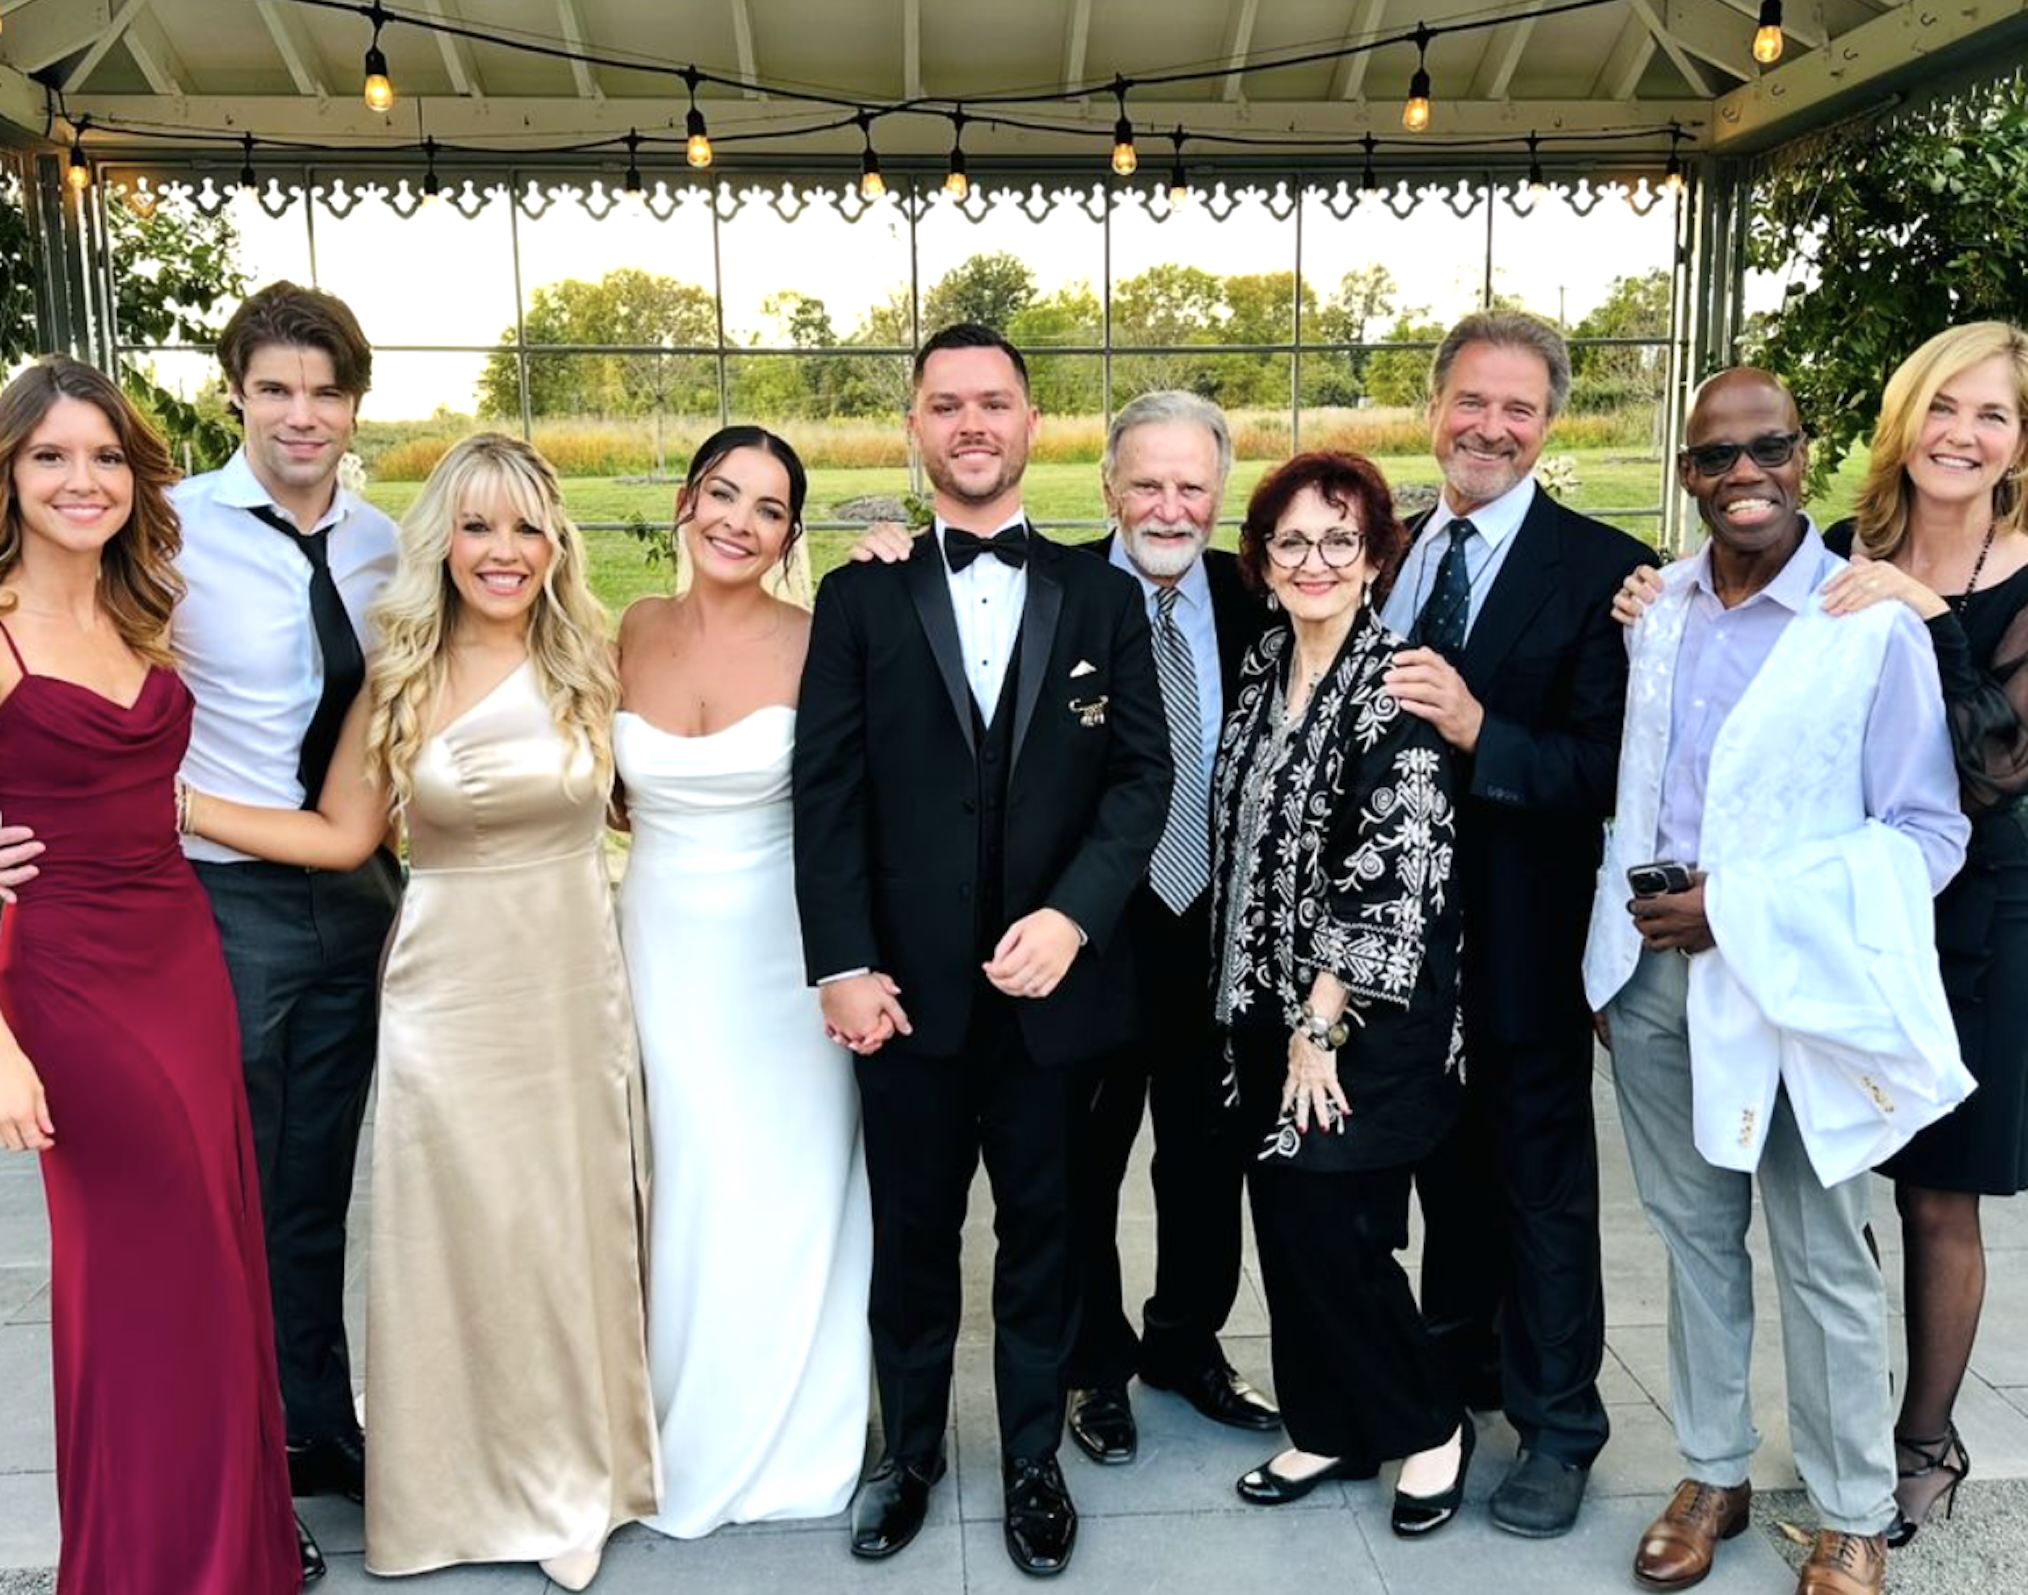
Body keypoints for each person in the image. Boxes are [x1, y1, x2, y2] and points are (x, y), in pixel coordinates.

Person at [182, 433, 657, 1589]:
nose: (504, 551)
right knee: (455, 1233)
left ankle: (567, 1478)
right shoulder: (399, 670)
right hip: (447, 985)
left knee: (560, 1227)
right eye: (479, 527)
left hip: (569, 976)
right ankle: (448, 1479)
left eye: (527, 526)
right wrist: (174, 803)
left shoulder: (594, 655)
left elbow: (659, 795)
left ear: (557, 542)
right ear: (443, 540)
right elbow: (344, 836)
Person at [1616, 319, 2028, 1545]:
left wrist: (1739, 908)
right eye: (1716, 454)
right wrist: (1615, 960)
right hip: (1651, 977)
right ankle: (1711, 1471)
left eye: (1770, 448)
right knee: (1695, 1239)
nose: (1745, 472)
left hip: (1804, 975)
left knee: (1824, 1247)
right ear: (1686, 471)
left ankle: (1854, 1508)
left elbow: (1932, 824)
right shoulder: (1663, 605)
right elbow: (1635, 783)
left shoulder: (1868, 617)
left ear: (1804, 455)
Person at [793, 323, 1171, 1577]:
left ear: (1031, 426)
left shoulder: (1107, 597)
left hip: (1057, 998)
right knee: (910, 1239)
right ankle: (908, 1452)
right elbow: (828, 791)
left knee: (1048, 1237)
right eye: (946, 404)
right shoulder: (857, 596)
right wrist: (841, 960)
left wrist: (1073, 917)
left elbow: (1141, 779)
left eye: (994, 403)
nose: (971, 423)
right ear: (914, 427)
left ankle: (1030, 1460)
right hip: (901, 997)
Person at [847, 389, 1278, 1464]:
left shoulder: (1256, 598)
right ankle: (1095, 1362)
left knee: (1205, 1155)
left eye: (1191, 485)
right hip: (1087, 938)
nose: (1169, 505)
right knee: (1079, 1170)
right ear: (1108, 487)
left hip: (1218, 935)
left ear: (1220, 495)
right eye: (1147, 482)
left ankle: (1188, 1337)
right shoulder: (1064, 589)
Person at [0, 356, 304, 1593]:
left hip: (180, 953)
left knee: (217, 1264)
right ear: (9, 475)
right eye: (51, 456)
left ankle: (229, 1551)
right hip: (65, 978)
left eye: (108, 456)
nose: (85, 480)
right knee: (143, 1276)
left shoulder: (142, 609)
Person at [1383, 310, 1656, 1537]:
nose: (1491, 426)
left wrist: (1481, 730)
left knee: (1542, 1186)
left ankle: (1560, 1426)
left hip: (1524, 933)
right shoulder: (1383, 545)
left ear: (1550, 425)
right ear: (1434, 404)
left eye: (1520, 409)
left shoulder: (1606, 570)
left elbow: (1608, 768)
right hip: (1395, 946)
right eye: (1471, 401)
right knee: (1444, 1173)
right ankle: (1455, 1382)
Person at [1208, 450, 1473, 1536]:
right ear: (1263, 563)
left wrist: (1319, 1028)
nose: (1314, 560)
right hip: (1259, 1006)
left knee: (1338, 1229)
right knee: (1290, 1219)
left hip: (1363, 1019)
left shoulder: (1398, 680)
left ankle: (1428, 1421)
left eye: (1339, 540)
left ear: (1374, 560)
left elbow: (1396, 861)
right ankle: (1328, 1420)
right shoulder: (1268, 662)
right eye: (1291, 541)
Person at [614, 426, 873, 1537]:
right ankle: (672, 1413)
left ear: (790, 534)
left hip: (785, 947)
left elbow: (862, 799)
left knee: (789, 1176)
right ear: (685, 499)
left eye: (768, 508)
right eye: (723, 493)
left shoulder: (823, 639)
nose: (738, 521)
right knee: (686, 1175)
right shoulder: (627, 629)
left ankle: (797, 1426)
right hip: (662, 942)